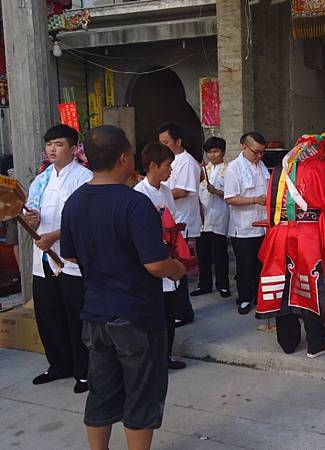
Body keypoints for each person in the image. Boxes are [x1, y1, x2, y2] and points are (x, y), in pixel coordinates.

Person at [60, 125, 186, 450]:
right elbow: (156, 264)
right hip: (136, 315)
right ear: (123, 158)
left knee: (101, 393)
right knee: (141, 397)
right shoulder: (134, 203)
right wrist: (178, 269)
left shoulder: (74, 202)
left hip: (95, 314)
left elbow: (70, 253)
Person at [256, 133, 325, 357]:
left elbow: (271, 208)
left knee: (283, 283)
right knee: (309, 283)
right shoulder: (319, 168)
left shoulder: (279, 170)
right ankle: (315, 343)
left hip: (280, 234)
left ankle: (287, 342)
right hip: (307, 235)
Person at [24, 124, 92, 394]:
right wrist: (32, 219)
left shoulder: (84, 178)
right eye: (49, 144)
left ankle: (84, 370)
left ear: (74, 149)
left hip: (70, 259)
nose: (52, 149)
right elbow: (32, 211)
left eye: (59, 144)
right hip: (42, 256)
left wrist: (55, 235)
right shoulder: (40, 179)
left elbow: (85, 220)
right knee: (48, 314)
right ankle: (58, 364)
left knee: (76, 315)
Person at [134, 142, 187, 370]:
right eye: (167, 166)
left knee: (169, 314)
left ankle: (165, 357)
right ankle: (152, 359)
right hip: (152, 259)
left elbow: (171, 218)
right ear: (153, 165)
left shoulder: (165, 191)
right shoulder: (139, 193)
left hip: (169, 254)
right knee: (154, 315)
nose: (170, 171)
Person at [224, 132, 269, 315]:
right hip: (243, 228)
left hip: (262, 226)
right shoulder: (233, 169)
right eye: (256, 152)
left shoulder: (261, 165)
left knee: (260, 265)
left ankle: (259, 297)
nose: (259, 156)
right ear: (244, 146)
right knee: (245, 265)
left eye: (262, 153)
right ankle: (244, 298)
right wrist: (255, 200)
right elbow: (230, 198)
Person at [158, 121, 198, 326]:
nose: (163, 147)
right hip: (167, 224)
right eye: (160, 143)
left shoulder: (186, 162)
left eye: (167, 142)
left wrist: (157, 193)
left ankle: (183, 312)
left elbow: (183, 190)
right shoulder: (167, 160)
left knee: (179, 268)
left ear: (178, 141)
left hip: (182, 222)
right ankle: (179, 309)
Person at [191, 137, 230, 298]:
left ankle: (223, 285)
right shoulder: (203, 169)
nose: (212, 155)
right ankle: (204, 284)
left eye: (215, 151)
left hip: (219, 216)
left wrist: (217, 192)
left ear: (223, 152)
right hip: (203, 217)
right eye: (209, 152)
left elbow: (232, 194)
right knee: (203, 253)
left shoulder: (228, 170)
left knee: (219, 253)